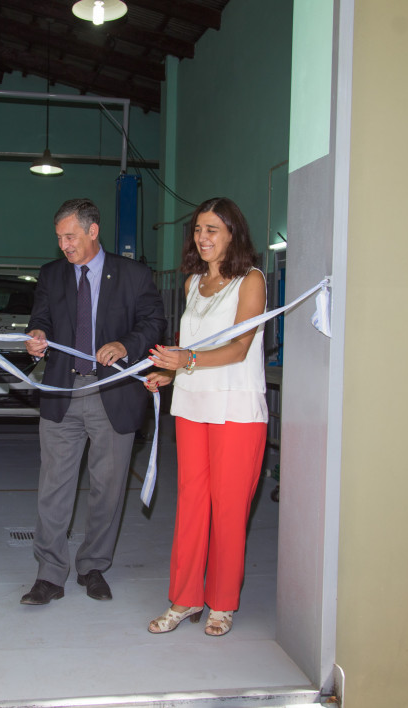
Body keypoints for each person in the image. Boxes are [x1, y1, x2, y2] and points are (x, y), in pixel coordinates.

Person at [21, 198, 166, 605]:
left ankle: (94, 566)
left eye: (70, 237)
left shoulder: (134, 275)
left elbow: (154, 322)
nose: (64, 246)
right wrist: (37, 336)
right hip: (63, 395)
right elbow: (43, 317)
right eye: (59, 239)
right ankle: (49, 573)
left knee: (107, 487)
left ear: (93, 231)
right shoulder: (52, 275)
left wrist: (126, 345)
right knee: (54, 488)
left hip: (113, 396)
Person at [144, 197, 268, 637]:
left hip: (236, 409)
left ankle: (222, 603)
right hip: (193, 407)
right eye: (198, 229)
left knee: (230, 509)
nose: (202, 238)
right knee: (192, 506)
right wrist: (169, 373)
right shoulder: (194, 282)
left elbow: (237, 348)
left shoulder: (251, 280)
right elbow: (193, 348)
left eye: (213, 229)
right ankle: (185, 598)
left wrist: (185, 361)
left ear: (233, 233)